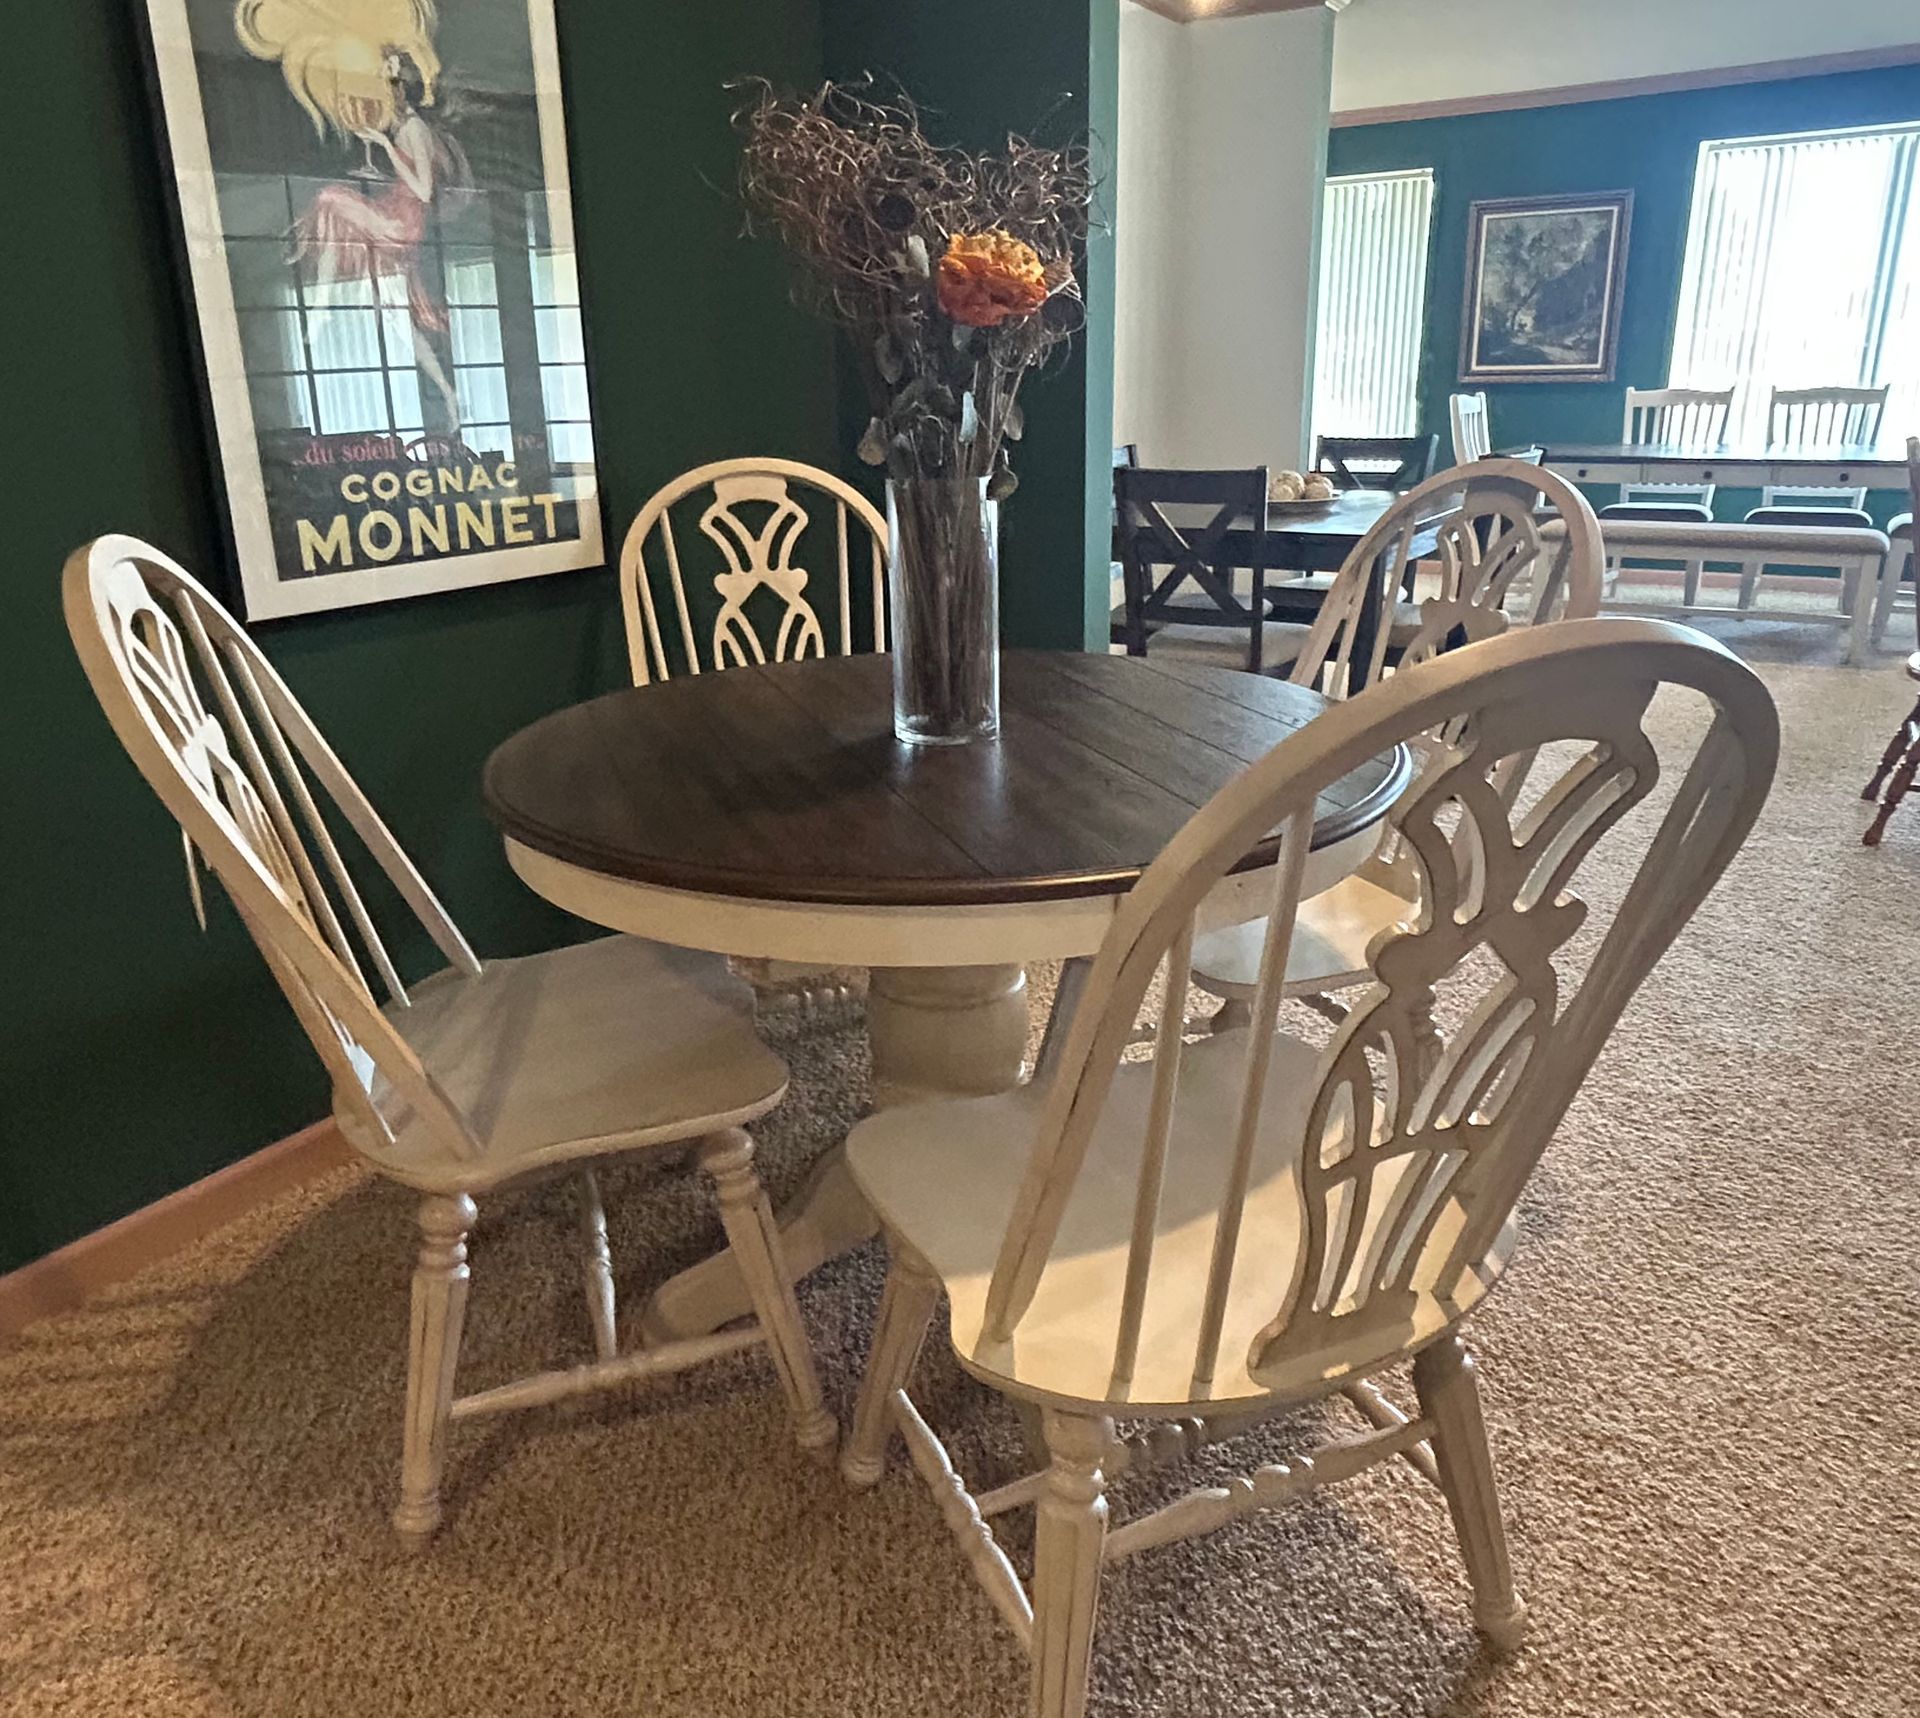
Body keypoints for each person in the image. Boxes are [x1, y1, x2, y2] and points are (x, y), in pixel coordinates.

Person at [291, 47, 466, 430]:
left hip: (402, 221)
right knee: (400, 323)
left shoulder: (412, 128)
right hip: (396, 211)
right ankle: (449, 394)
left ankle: (319, 308)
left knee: (329, 199)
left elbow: (423, 191)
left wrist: (385, 146)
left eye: (386, 82)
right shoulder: (408, 127)